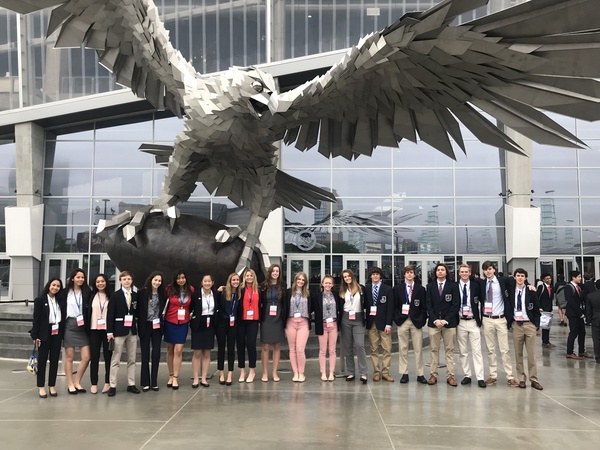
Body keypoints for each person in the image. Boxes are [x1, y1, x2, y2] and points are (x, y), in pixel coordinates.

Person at [480, 261, 519, 386]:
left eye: (490, 269)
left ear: (494, 270)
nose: (488, 272)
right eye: (485, 270)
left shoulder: (503, 281)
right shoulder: (481, 283)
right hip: (487, 319)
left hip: (501, 319)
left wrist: (530, 286)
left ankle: (510, 376)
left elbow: (518, 282)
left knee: (504, 349)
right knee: (490, 349)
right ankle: (493, 375)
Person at [425, 263, 460, 386]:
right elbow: (428, 305)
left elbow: (456, 304)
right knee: (434, 350)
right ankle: (433, 375)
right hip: (434, 324)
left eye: (442, 270)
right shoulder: (430, 286)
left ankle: (450, 375)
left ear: (446, 272)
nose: (440, 272)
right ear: (435, 272)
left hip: (449, 324)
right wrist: (435, 319)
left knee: (449, 350)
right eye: (438, 270)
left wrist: (445, 320)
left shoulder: (453, 286)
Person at [508, 268, 543, 390]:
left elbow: (537, 308)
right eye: (518, 275)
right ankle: (521, 378)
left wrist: (536, 324)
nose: (520, 278)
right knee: (518, 354)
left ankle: (533, 379)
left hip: (529, 324)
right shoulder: (510, 291)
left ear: (526, 278)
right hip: (517, 325)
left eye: (522, 275)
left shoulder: (531, 291)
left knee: (531, 354)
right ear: (514, 277)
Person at [30, 278, 66, 398]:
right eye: (53, 285)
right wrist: (35, 336)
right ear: (49, 285)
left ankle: (52, 385)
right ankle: (41, 386)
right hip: (44, 333)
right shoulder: (40, 300)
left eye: (58, 286)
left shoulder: (60, 300)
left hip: (57, 333)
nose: (55, 288)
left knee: (55, 360)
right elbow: (36, 319)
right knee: (42, 360)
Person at [106, 271, 140, 396]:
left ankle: (131, 384)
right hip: (118, 331)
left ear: (132, 281)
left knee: (132, 359)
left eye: (129, 279)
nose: (127, 281)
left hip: (132, 330)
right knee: (116, 359)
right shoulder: (115, 296)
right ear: (120, 280)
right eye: (124, 279)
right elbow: (110, 315)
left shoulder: (135, 296)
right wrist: (109, 331)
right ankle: (113, 385)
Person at [393, 265, 428, 384]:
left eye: (411, 272)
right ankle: (404, 373)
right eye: (407, 272)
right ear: (404, 275)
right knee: (403, 348)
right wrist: (397, 318)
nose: (409, 274)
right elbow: (395, 306)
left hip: (416, 321)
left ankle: (420, 374)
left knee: (418, 349)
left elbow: (424, 306)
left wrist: (422, 320)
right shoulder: (397, 288)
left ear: (414, 275)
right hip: (402, 321)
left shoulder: (420, 289)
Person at [60, 268, 91, 394]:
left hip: (83, 326)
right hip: (69, 325)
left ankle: (77, 381)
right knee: (70, 357)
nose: (80, 279)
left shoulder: (88, 292)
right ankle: (70, 383)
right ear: (72, 278)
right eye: (78, 277)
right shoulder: (65, 292)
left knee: (86, 357)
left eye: (82, 277)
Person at [455, 264, 486, 388]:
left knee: (477, 351)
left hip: (473, 321)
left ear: (470, 273)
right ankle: (467, 375)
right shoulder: (454, 286)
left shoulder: (476, 285)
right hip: (460, 322)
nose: (464, 274)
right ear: (459, 273)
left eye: (466, 272)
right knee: (463, 351)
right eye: (462, 272)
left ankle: (480, 377)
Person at [163, 270, 195, 389]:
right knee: (170, 349)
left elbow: (191, 305)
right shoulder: (169, 289)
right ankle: (170, 375)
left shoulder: (190, 289)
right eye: (178, 278)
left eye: (183, 277)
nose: (181, 280)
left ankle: (176, 377)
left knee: (179, 349)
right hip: (170, 321)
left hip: (183, 322)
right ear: (175, 280)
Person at [137, 271, 166, 392]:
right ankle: (145, 382)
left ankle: (154, 381)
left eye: (159, 281)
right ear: (150, 280)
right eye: (155, 280)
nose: (157, 282)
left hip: (157, 326)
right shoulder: (142, 293)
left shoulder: (162, 294)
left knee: (156, 354)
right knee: (145, 354)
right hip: (145, 325)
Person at [364, 267, 394, 382]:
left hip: (384, 323)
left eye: (377, 274)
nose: (375, 276)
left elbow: (390, 308)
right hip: (372, 323)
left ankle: (385, 372)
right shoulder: (366, 289)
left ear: (380, 276)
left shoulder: (387, 289)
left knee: (387, 348)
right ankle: (376, 372)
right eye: (373, 274)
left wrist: (389, 324)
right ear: (370, 276)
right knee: (373, 349)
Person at [260, 264, 288, 382]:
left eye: (277, 271)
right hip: (266, 317)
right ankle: (265, 372)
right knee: (266, 346)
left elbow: (285, 302)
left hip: (278, 318)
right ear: (270, 272)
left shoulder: (283, 285)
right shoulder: (263, 285)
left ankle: (274, 372)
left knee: (277, 346)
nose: (275, 273)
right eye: (273, 271)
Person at [339, 269, 368, 384]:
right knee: (348, 346)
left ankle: (363, 373)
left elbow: (366, 303)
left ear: (352, 276)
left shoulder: (361, 288)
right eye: (344, 277)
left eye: (348, 276)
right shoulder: (341, 290)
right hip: (346, 319)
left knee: (360, 345)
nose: (347, 278)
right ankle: (350, 371)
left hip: (358, 318)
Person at [312, 275, 342, 381]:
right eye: (326, 283)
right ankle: (323, 372)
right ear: (322, 284)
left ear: (332, 285)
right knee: (323, 350)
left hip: (333, 325)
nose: (328, 285)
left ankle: (331, 373)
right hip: (323, 325)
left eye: (330, 283)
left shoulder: (336, 295)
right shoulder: (317, 296)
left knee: (332, 350)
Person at [87, 274, 113, 394]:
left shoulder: (111, 296)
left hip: (108, 331)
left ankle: (108, 382)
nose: (100, 283)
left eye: (102, 281)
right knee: (95, 357)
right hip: (94, 330)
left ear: (106, 282)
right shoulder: (91, 296)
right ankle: (94, 383)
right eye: (98, 282)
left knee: (108, 357)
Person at [190, 274, 217, 387]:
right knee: (197, 353)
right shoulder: (196, 295)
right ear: (201, 283)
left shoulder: (215, 294)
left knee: (207, 353)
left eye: (209, 281)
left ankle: (204, 378)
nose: (207, 283)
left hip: (210, 324)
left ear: (212, 283)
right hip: (198, 325)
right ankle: (196, 378)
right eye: (205, 281)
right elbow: (190, 308)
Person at [286, 272, 312, 382]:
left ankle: (301, 372)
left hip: (303, 323)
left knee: (300, 349)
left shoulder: (308, 293)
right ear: (295, 280)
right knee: (292, 349)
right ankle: (295, 372)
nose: (301, 281)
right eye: (299, 279)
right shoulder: (288, 292)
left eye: (303, 280)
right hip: (290, 322)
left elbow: (313, 307)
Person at [216, 273, 241, 385]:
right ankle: (221, 373)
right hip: (221, 324)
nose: (235, 281)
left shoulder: (240, 294)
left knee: (231, 349)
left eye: (237, 280)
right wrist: (217, 291)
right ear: (229, 281)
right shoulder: (223, 293)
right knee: (221, 348)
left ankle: (230, 373)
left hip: (233, 324)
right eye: (233, 280)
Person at [237, 268, 260, 383]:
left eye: (251, 275)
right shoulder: (240, 289)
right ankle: (242, 370)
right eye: (247, 276)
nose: (249, 277)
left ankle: (252, 370)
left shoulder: (258, 290)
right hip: (241, 321)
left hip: (253, 321)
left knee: (251, 345)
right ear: (244, 277)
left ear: (254, 277)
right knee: (240, 345)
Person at [565, 270, 593, 360]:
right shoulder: (568, 287)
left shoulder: (579, 287)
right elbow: (571, 302)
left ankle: (581, 351)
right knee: (573, 332)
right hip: (573, 314)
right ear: (573, 278)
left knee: (582, 332)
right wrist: (579, 313)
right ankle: (569, 352)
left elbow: (582, 299)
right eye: (579, 277)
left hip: (580, 313)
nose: (580, 278)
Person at [537, 273, 556, 349]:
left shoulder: (551, 288)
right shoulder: (541, 287)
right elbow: (537, 297)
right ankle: (545, 341)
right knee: (544, 326)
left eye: (550, 278)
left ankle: (547, 340)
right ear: (543, 280)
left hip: (549, 309)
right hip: (543, 309)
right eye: (547, 278)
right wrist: (539, 307)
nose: (549, 280)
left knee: (548, 326)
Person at [586, 279, 600, 364]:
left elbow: (588, 310)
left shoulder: (590, 296)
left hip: (596, 319)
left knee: (596, 339)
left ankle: (598, 357)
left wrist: (589, 320)